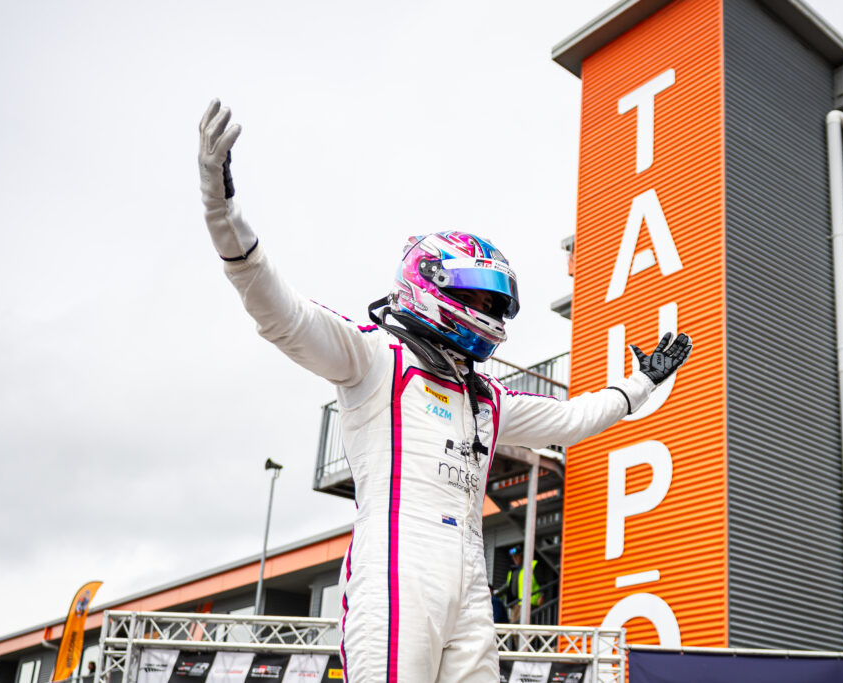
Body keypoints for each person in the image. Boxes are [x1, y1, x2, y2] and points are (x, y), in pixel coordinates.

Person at [197, 99, 692, 683]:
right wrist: (220, 210)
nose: (486, 310)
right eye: (474, 296)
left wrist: (642, 383)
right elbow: (282, 313)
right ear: (428, 284)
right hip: (394, 571)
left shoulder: (486, 397)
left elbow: (574, 419)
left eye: (493, 301)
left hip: (471, 579)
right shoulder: (376, 359)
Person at [505, 547, 541, 623]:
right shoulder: (513, 571)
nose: (514, 559)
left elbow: (543, 582)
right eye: (513, 557)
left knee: (523, 625)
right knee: (513, 627)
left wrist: (542, 596)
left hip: (529, 603)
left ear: (522, 556)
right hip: (515, 604)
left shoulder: (532, 565)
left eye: (516, 556)